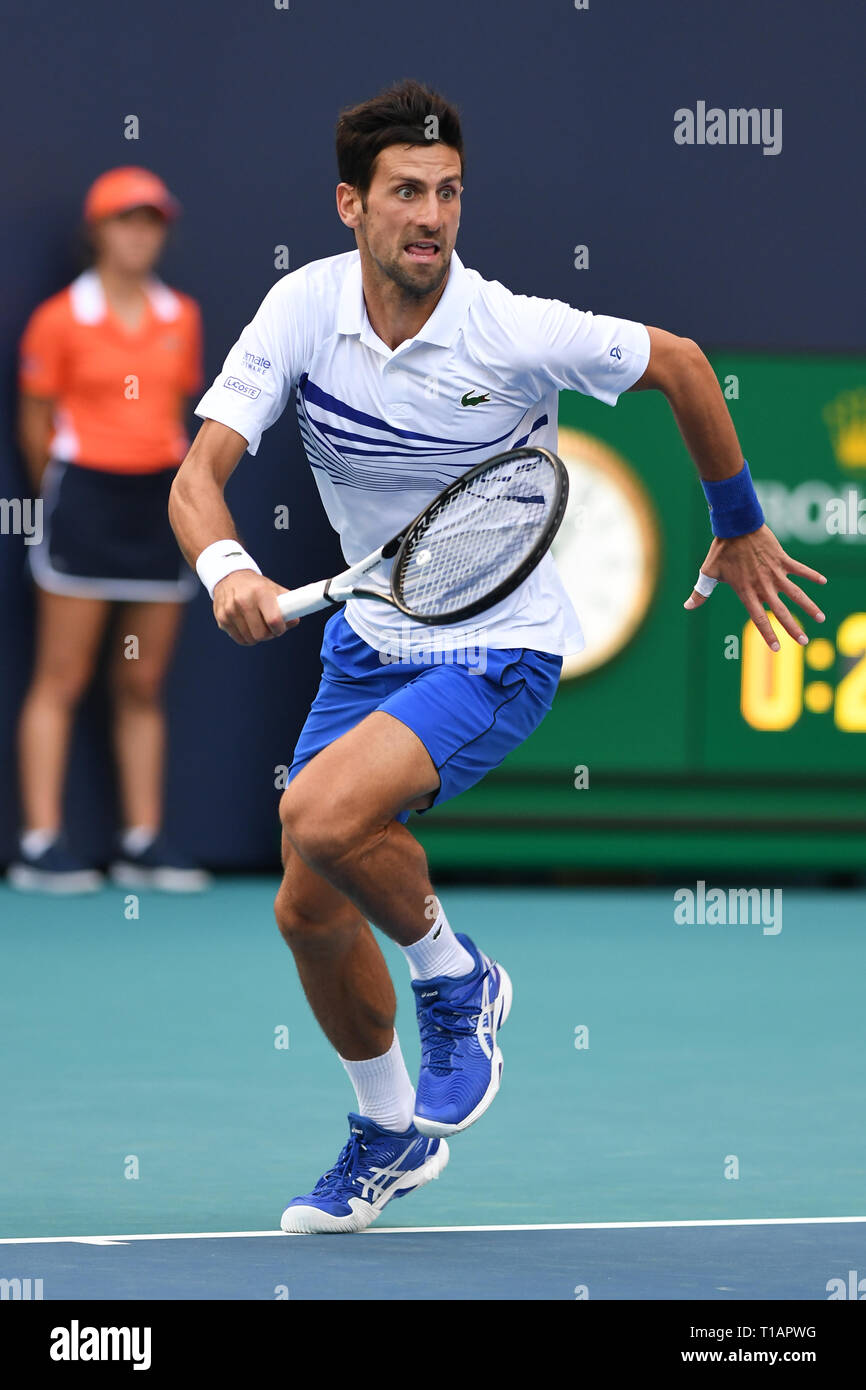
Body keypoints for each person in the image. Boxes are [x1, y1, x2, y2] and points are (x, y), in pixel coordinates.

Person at [168, 80, 827, 1233]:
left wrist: (736, 520)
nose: (431, 216)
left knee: (318, 816)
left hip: (497, 648)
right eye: (406, 193)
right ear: (350, 206)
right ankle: (385, 1133)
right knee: (305, 910)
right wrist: (229, 570)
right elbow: (196, 477)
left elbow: (678, 362)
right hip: (369, 644)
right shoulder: (299, 311)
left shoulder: (510, 328)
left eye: (449, 193)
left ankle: (455, 977)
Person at [10, 167, 209, 894]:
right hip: (85, 500)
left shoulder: (180, 316)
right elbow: (35, 423)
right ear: (98, 231)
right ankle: (39, 842)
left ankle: (142, 840)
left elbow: (175, 414)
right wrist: (71, 488)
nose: (140, 233)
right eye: (127, 219)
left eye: (152, 220)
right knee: (62, 678)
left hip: (157, 502)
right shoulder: (59, 319)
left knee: (143, 679)